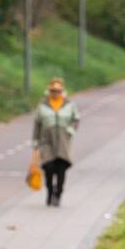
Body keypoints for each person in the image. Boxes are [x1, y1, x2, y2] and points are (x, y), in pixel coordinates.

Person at [32, 77, 80, 207]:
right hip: (47, 140)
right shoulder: (42, 105)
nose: (55, 93)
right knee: (48, 166)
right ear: (49, 91)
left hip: (63, 140)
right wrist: (35, 141)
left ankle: (58, 193)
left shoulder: (69, 105)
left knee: (61, 167)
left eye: (58, 91)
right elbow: (37, 124)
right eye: (53, 91)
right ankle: (49, 191)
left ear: (62, 91)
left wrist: (70, 130)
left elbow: (76, 119)